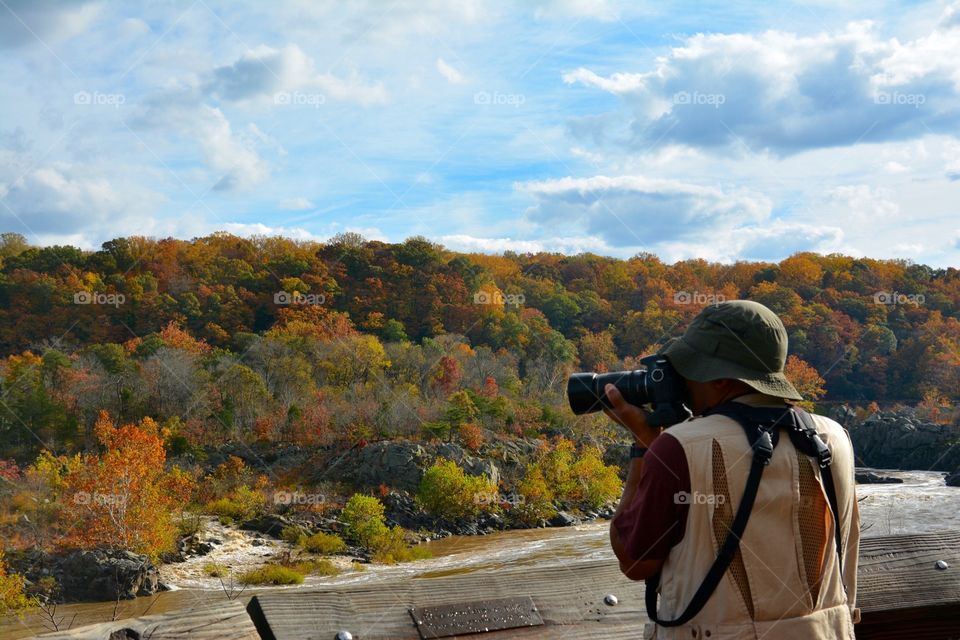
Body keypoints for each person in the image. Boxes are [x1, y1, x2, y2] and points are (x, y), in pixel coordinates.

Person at [606, 300, 860, 639]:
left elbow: (634, 561)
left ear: (722, 380)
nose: (684, 379)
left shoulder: (680, 447)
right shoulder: (834, 437)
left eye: (690, 369)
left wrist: (644, 446)